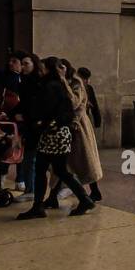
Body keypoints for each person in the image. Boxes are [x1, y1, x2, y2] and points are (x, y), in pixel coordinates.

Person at [16, 56, 94, 219]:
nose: (40, 70)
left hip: (53, 134)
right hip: (59, 133)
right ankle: (82, 199)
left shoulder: (51, 86)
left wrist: (34, 121)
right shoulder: (56, 85)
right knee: (58, 170)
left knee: (44, 170)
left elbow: (45, 110)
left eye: (43, 68)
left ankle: (39, 207)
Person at [46, 59, 103, 204]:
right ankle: (53, 196)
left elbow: (74, 102)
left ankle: (94, 192)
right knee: (62, 164)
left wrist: (63, 80)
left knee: (82, 161)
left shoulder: (76, 83)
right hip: (68, 125)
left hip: (78, 127)